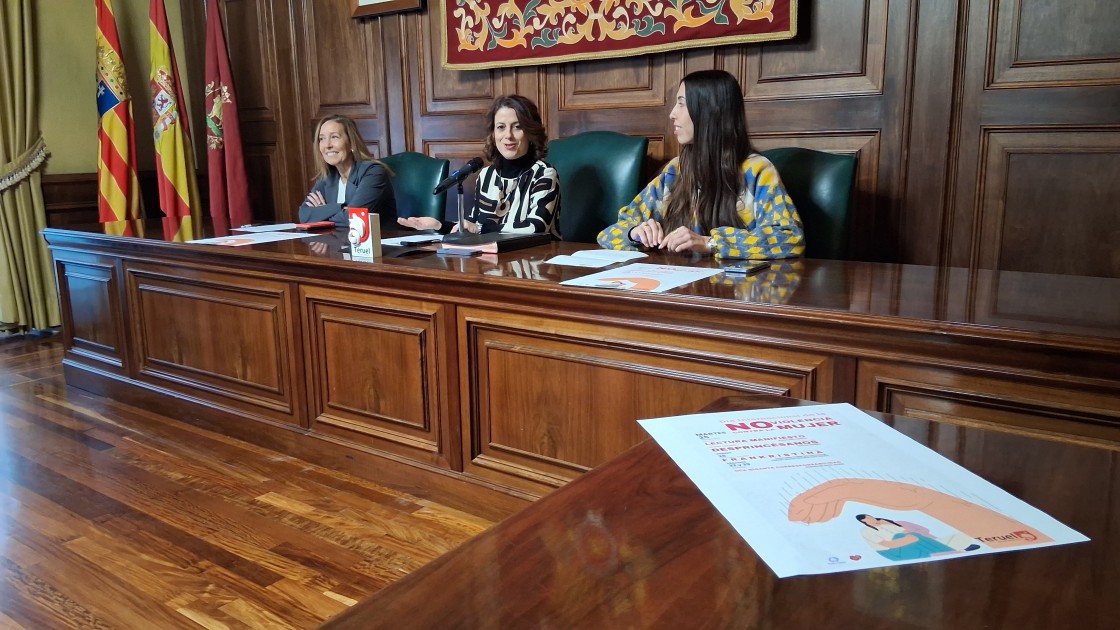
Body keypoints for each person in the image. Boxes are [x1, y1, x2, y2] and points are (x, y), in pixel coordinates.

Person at [597, 70, 803, 259]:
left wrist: (711, 243)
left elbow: (790, 239)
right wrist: (634, 233)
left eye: (681, 103)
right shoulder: (676, 171)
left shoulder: (757, 171)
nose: (672, 114)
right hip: (679, 289)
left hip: (735, 292)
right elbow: (609, 233)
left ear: (710, 111)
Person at [397, 95, 560, 237]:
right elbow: (473, 225)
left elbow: (536, 228)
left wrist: (479, 228)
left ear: (531, 133)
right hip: (494, 263)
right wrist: (439, 225)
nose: (508, 135)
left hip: (537, 263)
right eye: (501, 127)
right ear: (493, 133)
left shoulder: (544, 174)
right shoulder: (486, 176)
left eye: (517, 127)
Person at [299, 115, 396, 226]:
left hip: (379, 241)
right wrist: (340, 207)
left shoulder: (373, 172)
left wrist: (322, 212)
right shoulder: (328, 176)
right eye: (322, 139)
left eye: (334, 137)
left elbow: (353, 219)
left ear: (351, 143)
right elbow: (304, 215)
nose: (327, 145)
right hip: (339, 241)